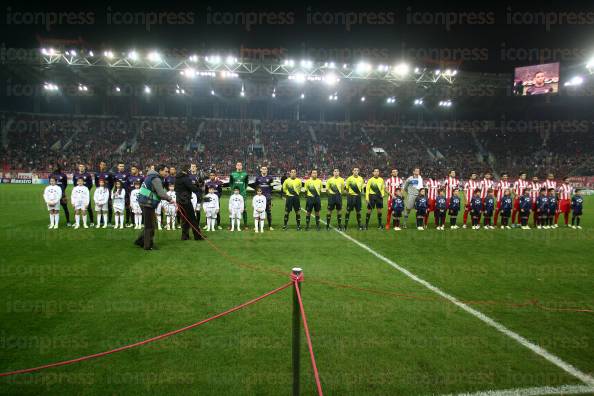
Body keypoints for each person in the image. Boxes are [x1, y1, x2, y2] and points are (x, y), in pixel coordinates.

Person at [134, 164, 173, 250]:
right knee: (150, 226)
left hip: (143, 202)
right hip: (147, 203)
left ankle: (139, 241)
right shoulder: (156, 179)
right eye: (166, 171)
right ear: (160, 171)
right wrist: (170, 199)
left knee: (148, 224)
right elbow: (161, 193)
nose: (167, 173)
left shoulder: (150, 176)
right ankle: (148, 246)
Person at [174, 166, 207, 241]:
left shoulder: (177, 178)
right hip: (186, 201)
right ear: (186, 171)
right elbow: (193, 188)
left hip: (179, 200)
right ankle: (197, 236)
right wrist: (200, 187)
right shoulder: (185, 178)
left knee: (184, 219)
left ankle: (184, 236)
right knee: (192, 219)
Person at [252, 166, 275, 230]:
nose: (264, 170)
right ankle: (257, 226)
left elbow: (272, 187)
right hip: (260, 198)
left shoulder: (270, 178)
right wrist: (256, 195)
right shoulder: (257, 178)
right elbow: (255, 187)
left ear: (267, 170)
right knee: (258, 212)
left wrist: (270, 196)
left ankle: (270, 226)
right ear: (260, 170)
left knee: (268, 212)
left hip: (268, 198)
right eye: (263, 169)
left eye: (265, 169)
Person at [229, 162, 249, 228]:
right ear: (236, 166)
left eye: (240, 165)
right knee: (232, 209)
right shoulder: (232, 174)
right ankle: (230, 225)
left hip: (242, 194)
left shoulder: (245, 174)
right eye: (238, 165)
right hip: (234, 193)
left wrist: (243, 190)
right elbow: (230, 183)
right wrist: (233, 190)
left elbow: (246, 183)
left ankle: (245, 225)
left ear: (242, 166)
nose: (239, 166)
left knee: (244, 209)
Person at [95, 161, 114, 226]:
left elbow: (112, 183)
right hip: (100, 193)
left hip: (107, 193)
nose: (102, 166)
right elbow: (96, 183)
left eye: (104, 165)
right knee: (100, 206)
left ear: (105, 166)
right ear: (99, 165)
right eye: (101, 164)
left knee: (109, 207)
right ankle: (101, 221)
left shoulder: (109, 174)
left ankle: (109, 221)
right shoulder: (97, 174)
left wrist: (108, 190)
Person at [114, 162, 130, 227]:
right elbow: (114, 184)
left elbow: (129, 184)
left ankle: (127, 221)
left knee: (127, 208)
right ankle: (118, 222)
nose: (121, 167)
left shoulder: (127, 174)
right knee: (118, 207)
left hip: (125, 193)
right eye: (120, 166)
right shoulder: (115, 175)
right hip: (118, 194)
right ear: (118, 167)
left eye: (123, 166)